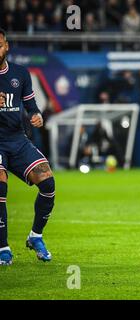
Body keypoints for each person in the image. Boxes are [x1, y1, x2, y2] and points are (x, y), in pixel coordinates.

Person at [0, 28, 55, 265]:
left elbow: (31, 106)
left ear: (7, 46)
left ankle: (35, 236)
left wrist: (37, 116)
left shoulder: (20, 73)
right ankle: (3, 248)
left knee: (48, 183)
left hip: (17, 139)